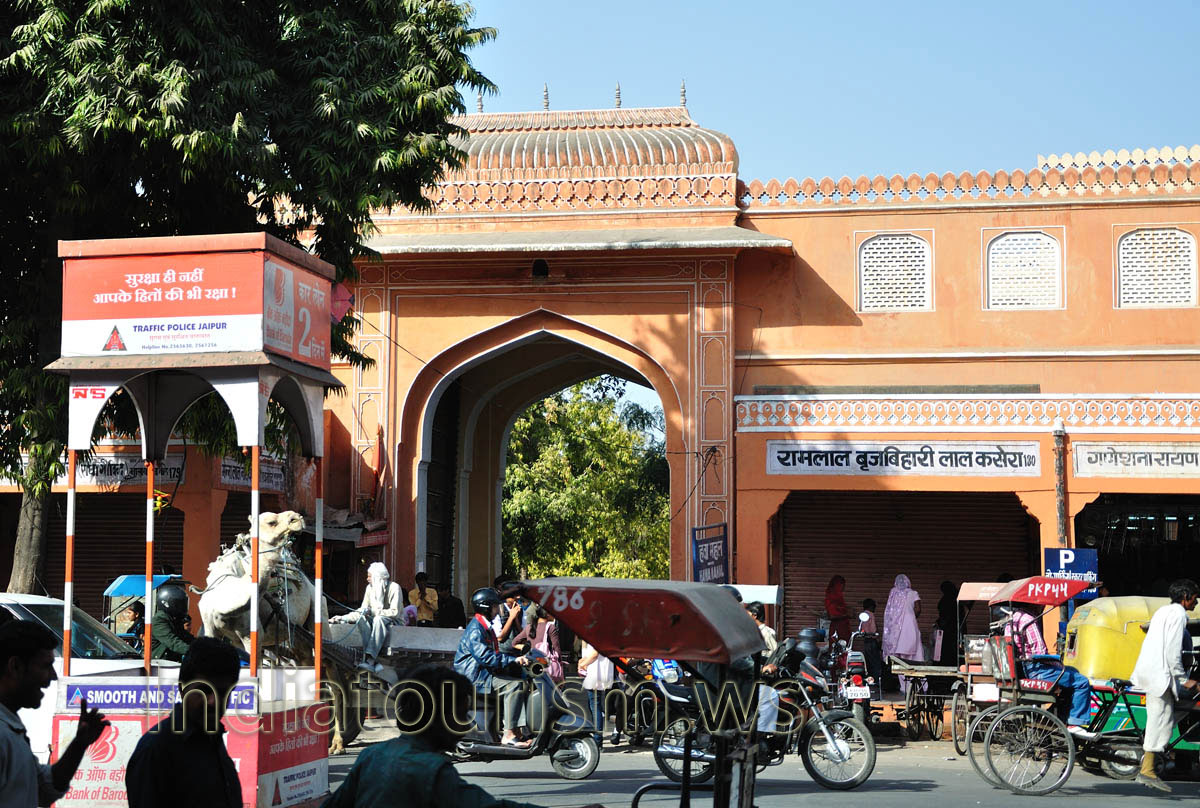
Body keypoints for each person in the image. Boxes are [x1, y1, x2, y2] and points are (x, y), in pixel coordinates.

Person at [321, 664, 605, 808]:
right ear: (438, 718)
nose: (467, 721)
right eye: (461, 713)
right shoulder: (432, 771)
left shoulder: (372, 756)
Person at [0, 621, 109, 806]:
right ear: (15, 666)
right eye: (45, 666)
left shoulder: (10, 727)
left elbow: (43, 788)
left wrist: (79, 744)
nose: (53, 676)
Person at [126, 637, 243, 807]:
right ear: (183, 689)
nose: (212, 701)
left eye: (222, 692)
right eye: (203, 690)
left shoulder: (212, 740)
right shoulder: (156, 749)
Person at [1130, 578, 1200, 792]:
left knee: (1164, 718)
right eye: (1195, 600)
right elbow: (1172, 650)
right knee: (1160, 720)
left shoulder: (1162, 612)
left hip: (1150, 673)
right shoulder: (1179, 615)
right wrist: (1183, 678)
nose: (1196, 604)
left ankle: (1153, 763)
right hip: (1161, 676)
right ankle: (1148, 771)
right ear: (1186, 598)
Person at [453, 587, 531, 748]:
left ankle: (516, 731)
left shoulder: (483, 626)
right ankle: (509, 734)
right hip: (474, 678)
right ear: (486, 607)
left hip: (482, 674)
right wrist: (513, 660)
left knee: (520, 682)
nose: (497, 609)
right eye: (495, 606)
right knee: (514, 686)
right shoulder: (476, 629)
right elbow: (485, 657)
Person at [1006, 602, 1095, 740]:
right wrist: (1056, 661)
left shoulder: (1012, 620)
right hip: (1038, 670)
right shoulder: (1027, 620)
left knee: (1071, 673)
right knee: (1082, 682)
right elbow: (1039, 651)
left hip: (1024, 669)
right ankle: (1075, 722)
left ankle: (1059, 718)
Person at [330, 562, 402, 673]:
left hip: (394, 623)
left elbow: (395, 612)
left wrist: (374, 611)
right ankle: (366, 655)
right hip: (377, 623)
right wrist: (342, 618)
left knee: (379, 619)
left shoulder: (394, 588)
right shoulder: (369, 588)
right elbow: (361, 611)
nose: (367, 579)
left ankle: (371, 659)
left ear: (377, 577)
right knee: (362, 619)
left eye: (369, 576)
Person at [883, 574, 923, 693]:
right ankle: (918, 686)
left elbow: (889, 610)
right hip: (910, 626)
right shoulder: (913, 593)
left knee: (899, 658)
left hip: (895, 629)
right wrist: (912, 618)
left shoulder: (893, 592)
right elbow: (919, 609)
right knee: (915, 656)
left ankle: (904, 687)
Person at [577, 640, 615, 748]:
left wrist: (583, 664)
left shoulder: (598, 633)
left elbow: (595, 654)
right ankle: (597, 738)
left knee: (595, 705)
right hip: (599, 671)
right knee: (594, 705)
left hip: (596, 672)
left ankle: (597, 740)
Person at [150, 581, 195, 661]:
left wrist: (205, 646)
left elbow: (186, 637)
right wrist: (198, 652)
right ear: (166, 603)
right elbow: (173, 642)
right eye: (178, 604)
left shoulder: (174, 618)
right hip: (156, 664)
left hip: (170, 662)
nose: (182, 607)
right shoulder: (159, 620)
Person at [527, 606, 564, 684]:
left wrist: (528, 648)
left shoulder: (529, 627)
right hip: (545, 664)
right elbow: (557, 648)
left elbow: (514, 643)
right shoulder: (550, 627)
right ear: (547, 614)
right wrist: (560, 663)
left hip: (533, 663)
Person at [936, 580, 961, 666]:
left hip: (948, 630)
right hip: (955, 629)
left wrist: (940, 623)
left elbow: (946, 614)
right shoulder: (957, 599)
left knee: (947, 650)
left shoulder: (948, 599)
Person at [824, 575, 850, 644]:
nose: (844, 587)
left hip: (844, 629)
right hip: (837, 630)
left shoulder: (839, 597)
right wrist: (847, 615)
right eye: (842, 585)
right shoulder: (831, 597)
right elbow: (832, 616)